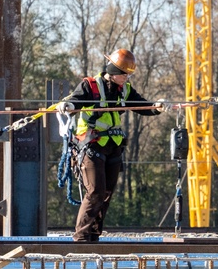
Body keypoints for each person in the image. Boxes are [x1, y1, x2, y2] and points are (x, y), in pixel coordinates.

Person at [58, 49, 164, 242]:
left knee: (106, 193)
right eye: (124, 74)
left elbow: (141, 105)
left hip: (113, 146)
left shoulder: (124, 90)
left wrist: (156, 108)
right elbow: (76, 99)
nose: (126, 78)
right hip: (92, 145)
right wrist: (70, 106)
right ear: (113, 71)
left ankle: (94, 235)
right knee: (95, 191)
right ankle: (81, 237)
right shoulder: (90, 86)